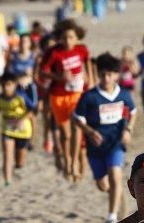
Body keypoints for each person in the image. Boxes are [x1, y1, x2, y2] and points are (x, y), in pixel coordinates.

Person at [74, 52, 137, 223]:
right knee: (103, 184)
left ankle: (111, 217)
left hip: (116, 144)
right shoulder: (89, 96)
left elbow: (133, 112)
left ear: (116, 75)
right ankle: (116, 196)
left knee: (116, 175)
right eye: (103, 75)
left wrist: (128, 130)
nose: (106, 78)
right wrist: (88, 130)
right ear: (98, 74)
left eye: (110, 74)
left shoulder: (123, 94)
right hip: (95, 147)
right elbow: (76, 117)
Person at [40, 18, 92, 181]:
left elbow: (87, 61)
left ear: (77, 37)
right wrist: (59, 76)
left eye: (71, 37)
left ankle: (74, 161)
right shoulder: (54, 52)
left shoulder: (82, 49)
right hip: (58, 95)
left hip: (77, 94)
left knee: (78, 128)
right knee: (65, 133)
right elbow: (43, 72)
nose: (68, 41)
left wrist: (89, 77)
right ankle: (67, 159)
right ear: (60, 38)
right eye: (64, 38)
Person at [0, 72, 35, 187]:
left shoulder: (21, 97)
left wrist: (22, 120)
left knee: (20, 162)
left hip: (23, 131)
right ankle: (7, 181)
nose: (6, 88)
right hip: (7, 129)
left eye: (8, 85)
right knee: (7, 155)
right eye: (3, 85)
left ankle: (18, 165)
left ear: (15, 84)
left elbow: (32, 111)